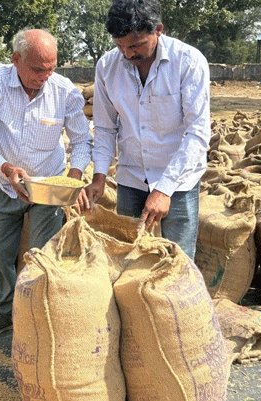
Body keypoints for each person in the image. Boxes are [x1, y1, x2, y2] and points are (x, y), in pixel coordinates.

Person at [0, 28, 92, 339]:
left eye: (51, 69)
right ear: (16, 59)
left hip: (48, 187)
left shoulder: (64, 91)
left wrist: (73, 177)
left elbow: (82, 140)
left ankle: (37, 316)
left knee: (42, 255)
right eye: (37, 69)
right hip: (2, 182)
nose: (44, 77)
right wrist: (7, 169)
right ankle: (8, 312)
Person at [86, 0, 211, 259]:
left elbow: (197, 134)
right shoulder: (107, 67)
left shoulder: (188, 62)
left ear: (158, 30)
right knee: (128, 256)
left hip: (178, 180)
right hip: (131, 177)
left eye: (135, 45)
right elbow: (105, 128)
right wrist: (99, 177)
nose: (127, 54)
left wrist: (164, 189)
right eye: (120, 46)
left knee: (178, 258)